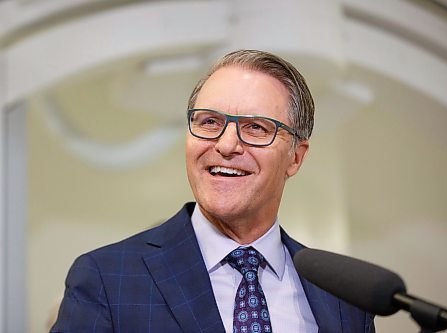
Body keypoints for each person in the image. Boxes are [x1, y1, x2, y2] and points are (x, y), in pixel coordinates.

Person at [50, 49, 375, 333]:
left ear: (296, 156)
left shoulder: (344, 300)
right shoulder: (108, 279)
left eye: (256, 127)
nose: (227, 144)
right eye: (209, 122)